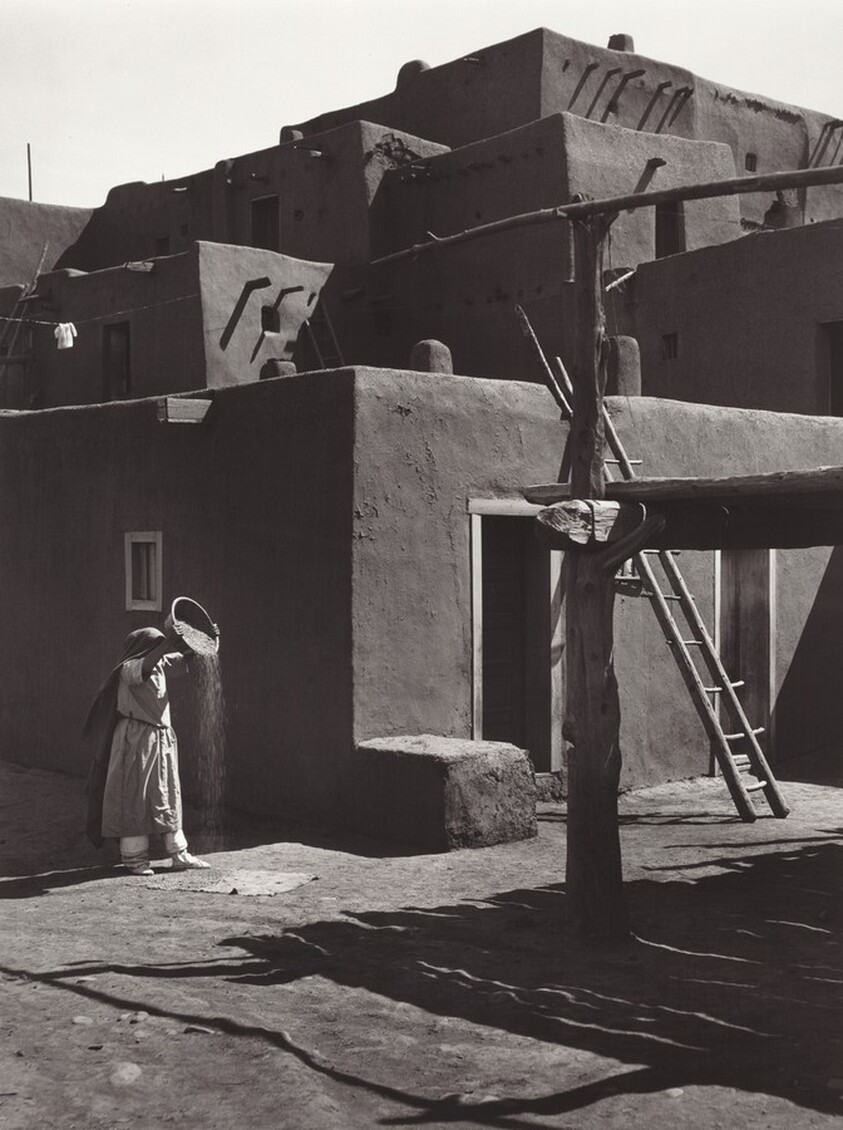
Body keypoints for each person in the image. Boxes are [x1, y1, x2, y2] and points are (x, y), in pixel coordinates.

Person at [83, 626, 212, 875]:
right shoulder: (128, 668)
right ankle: (134, 858)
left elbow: (187, 656)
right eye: (155, 646)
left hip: (161, 737)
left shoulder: (160, 663)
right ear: (143, 648)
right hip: (135, 740)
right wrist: (167, 643)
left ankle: (179, 853)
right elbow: (145, 667)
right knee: (135, 796)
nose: (161, 651)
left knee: (167, 794)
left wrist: (205, 638)